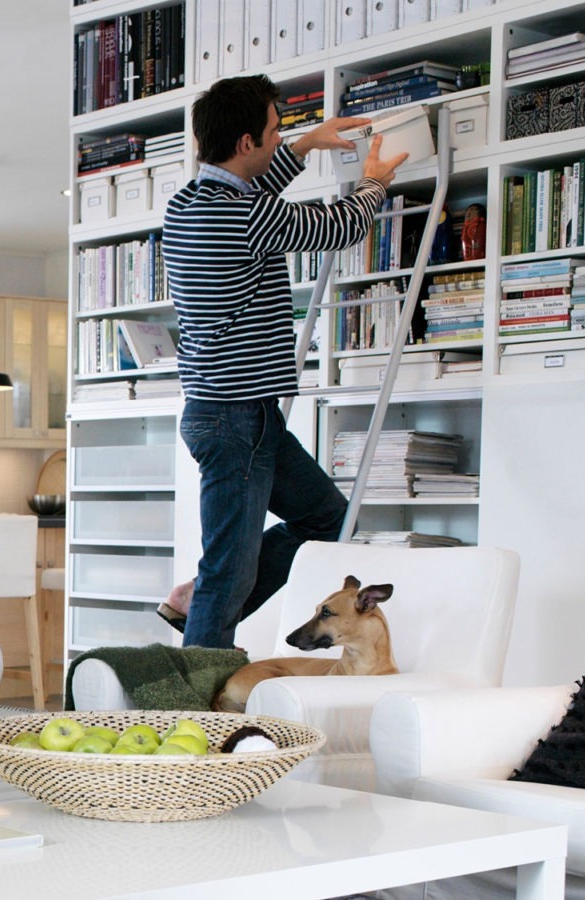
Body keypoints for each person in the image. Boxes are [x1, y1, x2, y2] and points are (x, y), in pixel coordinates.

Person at [158, 75, 407, 649]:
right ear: (245, 141)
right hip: (233, 418)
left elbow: (257, 183)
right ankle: (200, 705)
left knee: (327, 520)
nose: (278, 139)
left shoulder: (191, 201)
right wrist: (373, 183)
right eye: (274, 132)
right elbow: (336, 227)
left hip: (243, 413)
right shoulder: (246, 215)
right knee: (230, 570)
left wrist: (305, 144)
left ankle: (198, 598)